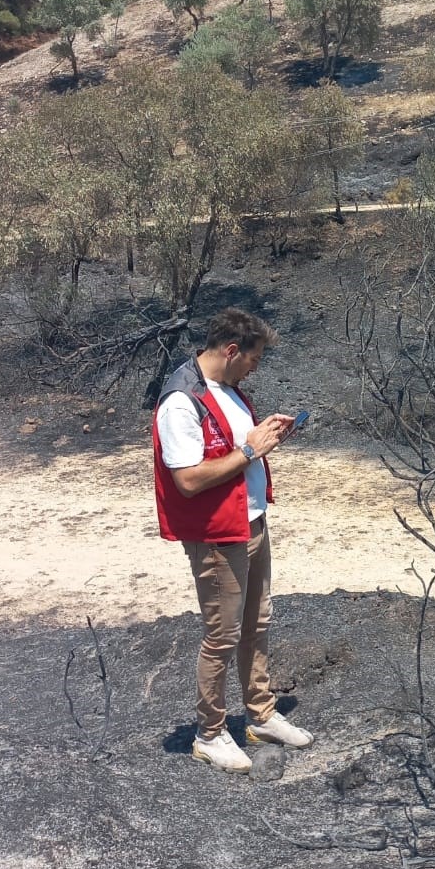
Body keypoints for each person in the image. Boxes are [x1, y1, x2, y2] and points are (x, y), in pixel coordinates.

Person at [152, 307, 314, 771]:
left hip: (251, 522)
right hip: (218, 535)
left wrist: (264, 436)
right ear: (230, 350)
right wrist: (250, 450)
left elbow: (236, 448)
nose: (255, 368)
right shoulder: (181, 402)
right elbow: (188, 479)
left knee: (257, 621)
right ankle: (210, 732)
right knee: (222, 636)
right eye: (253, 360)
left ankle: (260, 715)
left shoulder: (225, 391)